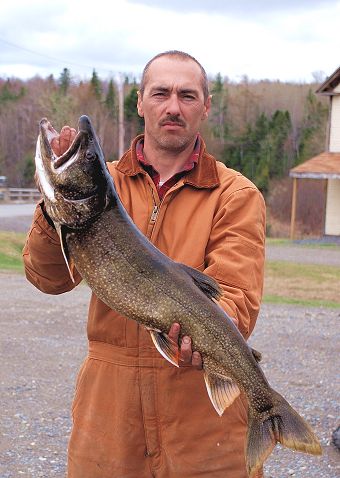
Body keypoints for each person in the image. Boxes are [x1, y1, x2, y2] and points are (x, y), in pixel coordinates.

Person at [23, 51, 266, 478]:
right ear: (140, 102)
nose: (173, 106)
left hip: (204, 427)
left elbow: (236, 301)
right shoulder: (104, 184)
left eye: (187, 95)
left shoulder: (236, 195)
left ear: (205, 106)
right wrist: (53, 208)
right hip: (109, 421)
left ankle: (270, 410)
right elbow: (47, 277)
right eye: (161, 93)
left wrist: (205, 337)